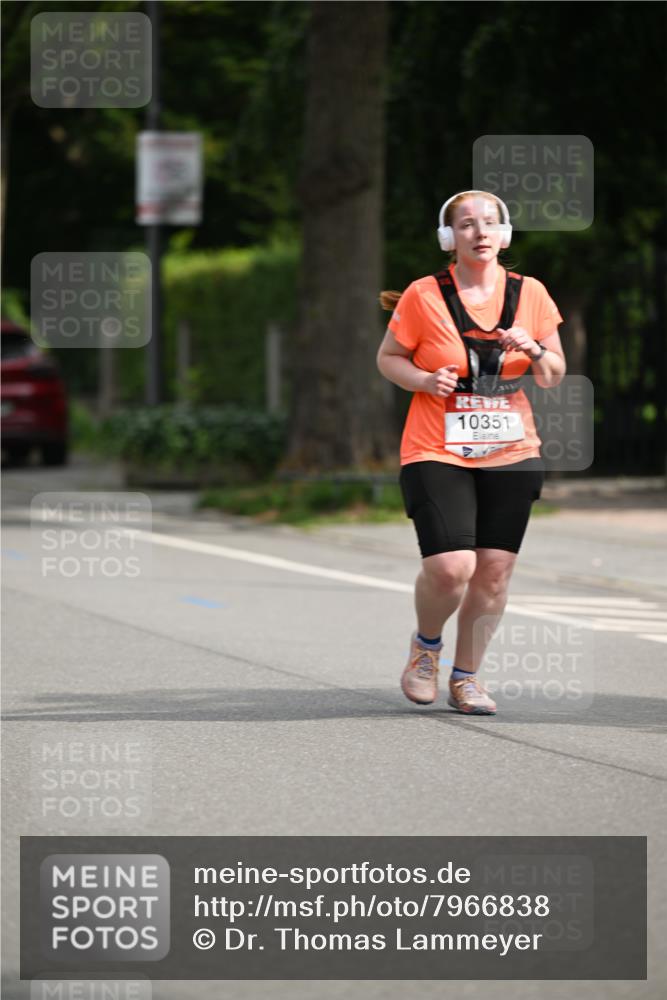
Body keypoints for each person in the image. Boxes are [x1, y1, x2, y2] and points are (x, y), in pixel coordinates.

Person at [376, 190, 566, 715]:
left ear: (503, 235)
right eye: (466, 224)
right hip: (436, 445)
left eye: (489, 223)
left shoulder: (531, 293)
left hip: (511, 447)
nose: (479, 232)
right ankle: (425, 649)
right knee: (451, 567)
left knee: (494, 571)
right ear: (449, 237)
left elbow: (553, 375)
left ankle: (467, 678)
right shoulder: (423, 295)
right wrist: (422, 379)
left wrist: (534, 349)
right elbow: (388, 357)